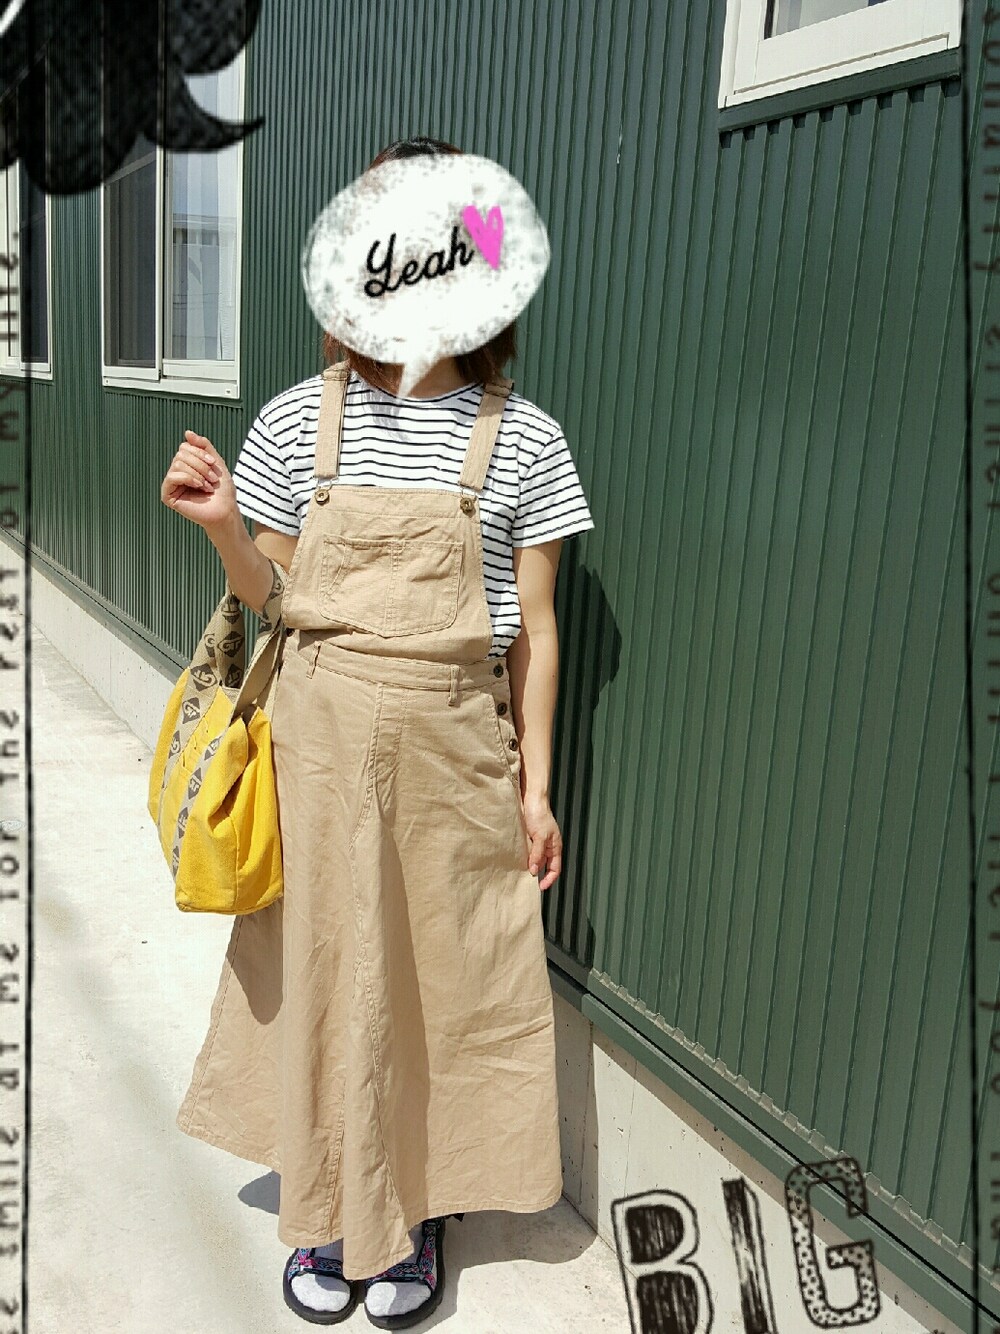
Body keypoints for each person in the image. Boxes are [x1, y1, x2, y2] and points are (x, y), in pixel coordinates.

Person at [159, 135, 596, 1328]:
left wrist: (535, 788)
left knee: (438, 979)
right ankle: (324, 1198)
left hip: (457, 746)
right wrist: (223, 525)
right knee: (318, 969)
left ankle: (417, 1205)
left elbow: (535, 631)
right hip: (314, 736)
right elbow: (274, 598)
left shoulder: (529, 437)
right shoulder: (296, 420)